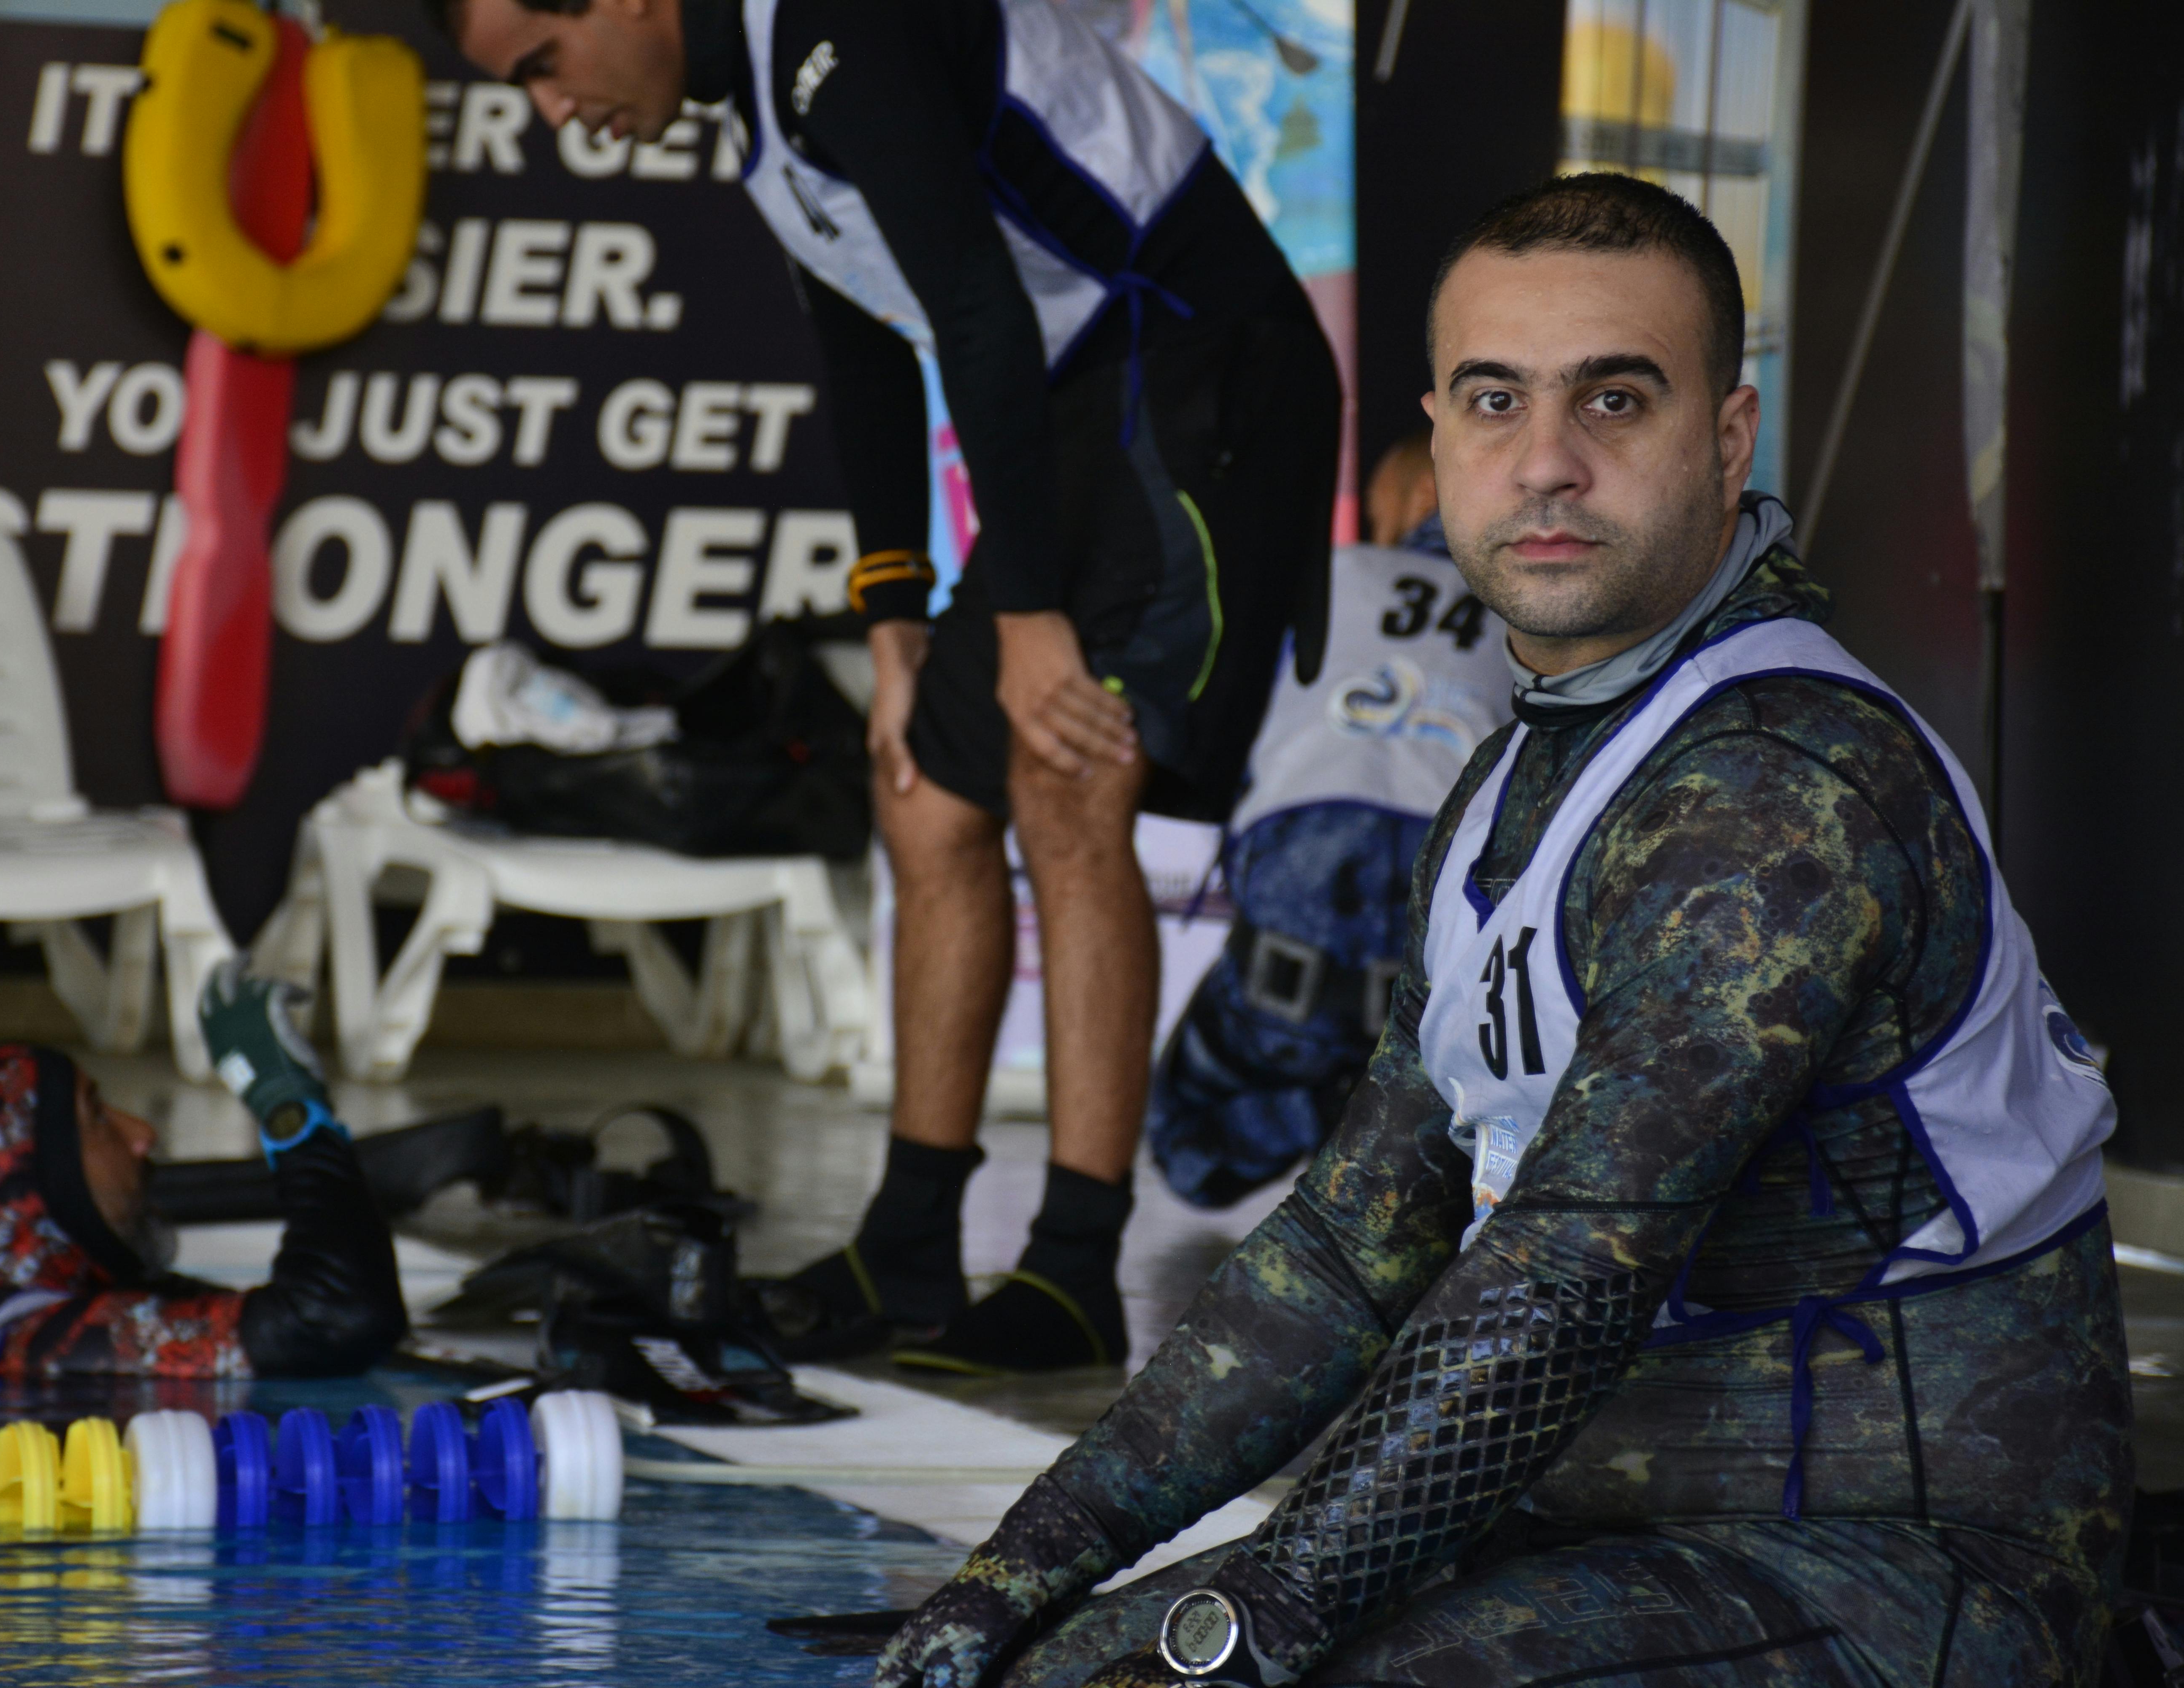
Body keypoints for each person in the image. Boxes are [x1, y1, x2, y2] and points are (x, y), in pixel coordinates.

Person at [869, 173, 2127, 1687]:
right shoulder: (1520, 772)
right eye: (1492, 400)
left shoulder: (1776, 791)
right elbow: (1345, 1250)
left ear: (1725, 442)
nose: (1544, 463)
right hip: (1607, 1544)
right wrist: (1010, 1578)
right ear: (1437, 431)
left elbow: (1563, 1276)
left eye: (1613, 400)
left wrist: (1252, 1618)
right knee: (1033, 1669)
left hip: (1918, 1581)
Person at [440, 0, 1342, 1371]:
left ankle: (1073, 1270)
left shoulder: (829, 31)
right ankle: (912, 1244)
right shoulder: (757, 106)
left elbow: (974, 303)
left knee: (1067, 773)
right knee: (922, 788)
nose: (556, 116)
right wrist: (892, 623)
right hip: (1086, 396)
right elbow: (869, 341)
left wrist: (1027, 609)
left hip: (1205, 358)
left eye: (546, 70)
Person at [1145, 434, 1505, 1210]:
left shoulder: (1319, 585)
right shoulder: (1552, 620)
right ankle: (1393, 1126)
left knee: (1190, 1150)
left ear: (1417, 501)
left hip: (1293, 940)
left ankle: (1323, 1109)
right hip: (1444, 951)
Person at [0, 964, 409, 1378]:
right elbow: (337, 1318)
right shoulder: (35, 1347)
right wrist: (291, 1111)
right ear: (39, 1187)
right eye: (98, 1118)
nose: (141, 1134)